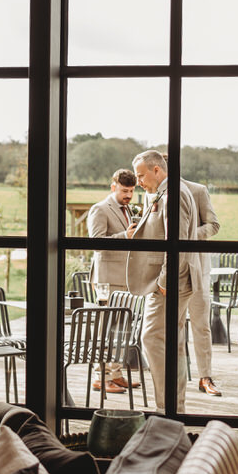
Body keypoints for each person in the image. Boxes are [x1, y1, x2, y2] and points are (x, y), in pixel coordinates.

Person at [125, 150, 203, 411]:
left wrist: (163, 283)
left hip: (172, 284)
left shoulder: (174, 195)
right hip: (175, 283)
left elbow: (176, 244)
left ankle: (165, 408)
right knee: (174, 345)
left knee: (151, 338)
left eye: (141, 176)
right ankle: (174, 409)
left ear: (157, 170)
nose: (138, 182)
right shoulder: (166, 192)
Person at [163, 153, 222, 396]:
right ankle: (173, 378)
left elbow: (214, 225)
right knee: (170, 327)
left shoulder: (197, 190)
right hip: (166, 273)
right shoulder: (153, 195)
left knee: (201, 325)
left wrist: (187, 235)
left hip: (196, 269)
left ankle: (205, 377)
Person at [87, 168, 139, 393]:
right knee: (104, 331)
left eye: (131, 191)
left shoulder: (130, 210)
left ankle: (116, 374)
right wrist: (124, 236)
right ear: (113, 187)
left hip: (127, 280)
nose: (128, 195)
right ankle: (100, 377)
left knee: (122, 332)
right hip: (107, 281)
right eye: (124, 190)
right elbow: (96, 243)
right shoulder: (99, 209)